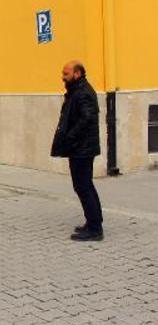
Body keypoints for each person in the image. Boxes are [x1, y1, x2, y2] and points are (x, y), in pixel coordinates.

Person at [51, 61, 104, 241]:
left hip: (82, 148)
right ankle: (93, 222)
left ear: (77, 74)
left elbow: (87, 118)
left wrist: (70, 137)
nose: (62, 77)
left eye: (66, 74)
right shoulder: (77, 91)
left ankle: (95, 229)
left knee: (83, 186)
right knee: (85, 185)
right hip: (80, 147)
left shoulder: (83, 93)